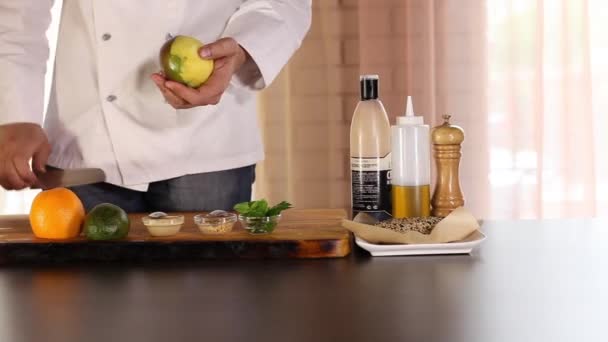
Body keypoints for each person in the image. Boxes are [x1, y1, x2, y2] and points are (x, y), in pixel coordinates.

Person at [0, 1, 311, 212]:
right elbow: (16, 17)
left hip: (207, 143)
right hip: (89, 143)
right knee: (86, 302)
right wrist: (16, 115)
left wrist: (242, 49)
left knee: (210, 299)